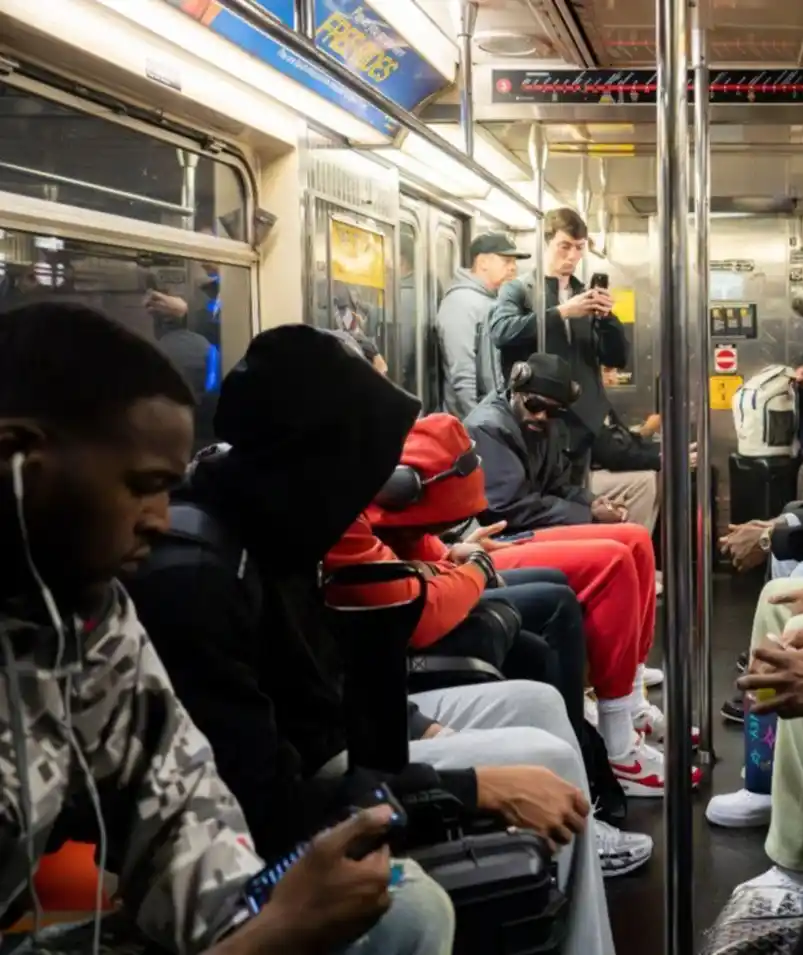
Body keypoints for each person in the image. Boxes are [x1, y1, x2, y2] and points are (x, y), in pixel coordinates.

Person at [125, 324, 618, 954]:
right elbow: (274, 804)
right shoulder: (201, 576)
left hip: (333, 744)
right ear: (320, 462)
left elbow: (325, 677)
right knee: (526, 772)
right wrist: (469, 788)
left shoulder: (273, 520)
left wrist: (410, 724)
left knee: (538, 706)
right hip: (292, 796)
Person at [0, 302, 453, 955]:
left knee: (398, 908)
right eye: (142, 486)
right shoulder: (187, 574)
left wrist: (270, 906)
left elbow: (187, 817)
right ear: (16, 459)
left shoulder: (90, 618)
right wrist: (265, 938)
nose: (160, 518)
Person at [338, 412, 696, 796]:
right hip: (491, 547)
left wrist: (451, 556)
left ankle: (619, 718)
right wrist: (475, 566)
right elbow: (503, 509)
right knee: (588, 579)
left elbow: (419, 551)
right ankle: (607, 748)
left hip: (475, 545)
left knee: (628, 543)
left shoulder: (549, 428)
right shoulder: (341, 510)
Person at [489, 207, 628, 481]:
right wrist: (562, 312)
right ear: (546, 242)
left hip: (582, 421)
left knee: (578, 500)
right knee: (542, 496)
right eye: (564, 246)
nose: (572, 256)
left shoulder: (583, 293)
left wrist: (608, 320)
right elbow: (502, 332)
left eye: (579, 248)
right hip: (538, 418)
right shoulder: (518, 290)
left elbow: (615, 357)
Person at [465, 352, 631, 531]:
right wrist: (588, 515)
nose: (541, 416)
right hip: (494, 536)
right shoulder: (487, 427)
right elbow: (508, 508)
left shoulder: (545, 426)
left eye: (553, 411)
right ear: (516, 392)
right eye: (534, 405)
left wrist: (592, 502)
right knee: (614, 545)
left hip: (526, 525)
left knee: (628, 533)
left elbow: (559, 487)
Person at [435, 233, 530, 418]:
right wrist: (481, 423)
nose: (513, 268)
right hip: (474, 423)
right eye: (506, 261)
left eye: (514, 262)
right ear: (483, 262)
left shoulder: (493, 300)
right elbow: (463, 373)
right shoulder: (461, 303)